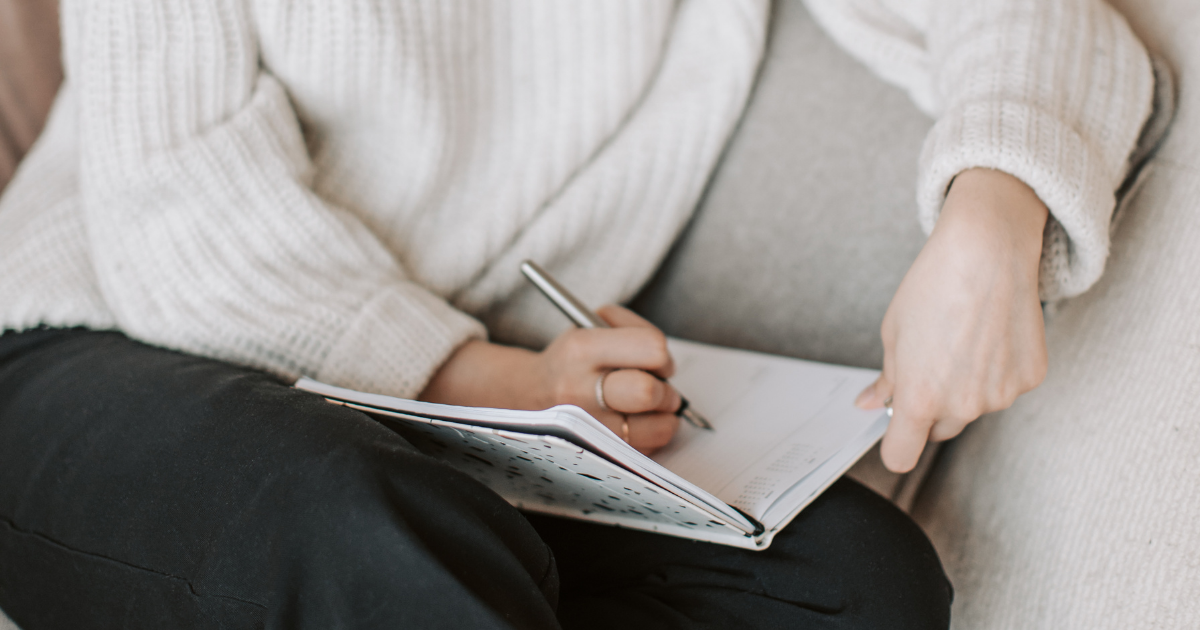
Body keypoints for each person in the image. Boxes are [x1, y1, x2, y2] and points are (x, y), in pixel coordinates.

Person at [0, 0, 1157, 627]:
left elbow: (1046, 22)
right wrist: (504, 381)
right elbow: (176, 207)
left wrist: (988, 216)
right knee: (373, 542)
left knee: (856, 586)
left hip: (475, 435)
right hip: (101, 341)